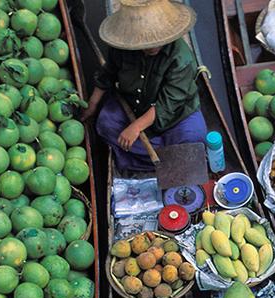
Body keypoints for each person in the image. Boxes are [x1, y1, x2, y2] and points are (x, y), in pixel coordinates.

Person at [79, 0, 206, 171]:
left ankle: (153, 159)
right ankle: (161, 159)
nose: (152, 47)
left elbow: (167, 105)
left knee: (195, 136)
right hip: (133, 105)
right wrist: (92, 105)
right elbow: (107, 75)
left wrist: (136, 127)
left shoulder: (181, 58)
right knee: (105, 124)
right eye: (145, 43)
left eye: (156, 41)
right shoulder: (121, 48)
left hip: (175, 114)